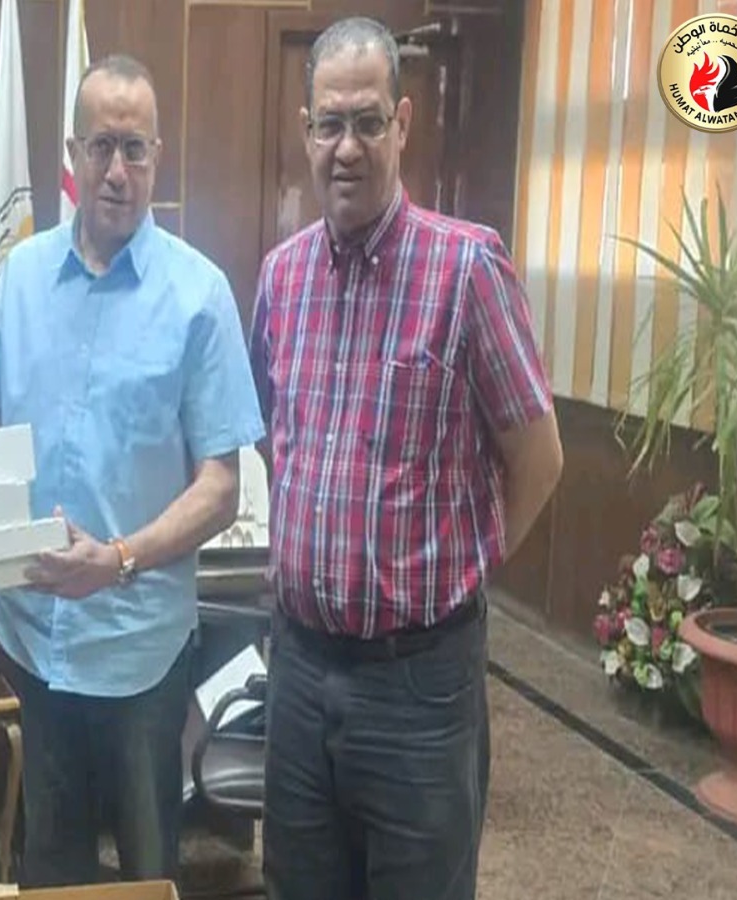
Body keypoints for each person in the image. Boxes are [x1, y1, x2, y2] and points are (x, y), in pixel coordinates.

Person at [248, 17, 564, 900]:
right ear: (305, 130)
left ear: (403, 123)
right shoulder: (281, 277)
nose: (346, 147)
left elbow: (539, 458)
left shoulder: (467, 270)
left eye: (367, 121)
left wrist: (465, 572)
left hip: (419, 686)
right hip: (300, 669)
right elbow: (277, 436)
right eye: (329, 123)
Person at [0, 55, 266, 886]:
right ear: (72, 154)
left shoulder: (200, 295)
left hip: (139, 650)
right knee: (51, 864)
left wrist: (118, 559)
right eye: (101, 147)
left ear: (158, 157)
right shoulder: (21, 277)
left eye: (135, 149)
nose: (118, 171)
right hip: (31, 635)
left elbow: (221, 485)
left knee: (147, 868)